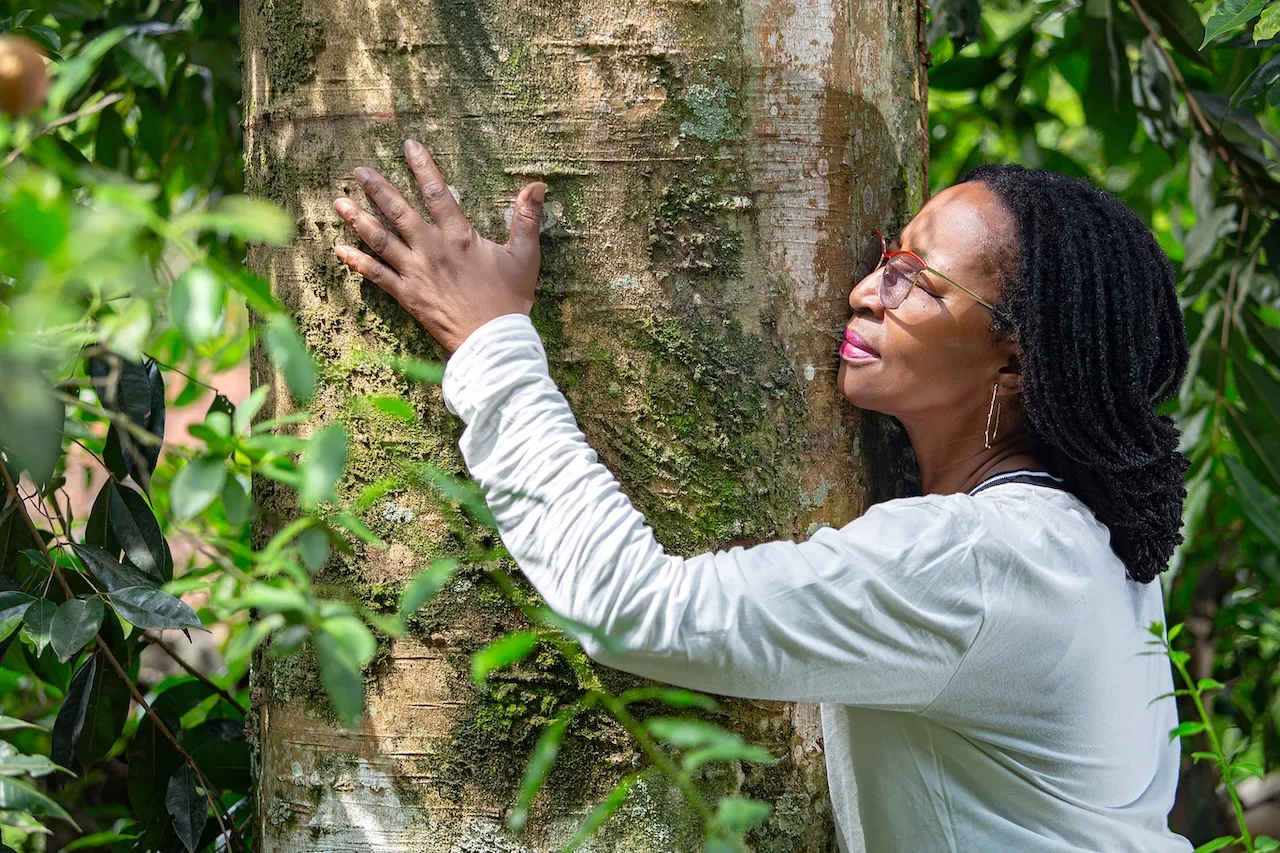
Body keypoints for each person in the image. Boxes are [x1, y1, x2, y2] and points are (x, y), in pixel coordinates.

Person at [330, 142, 1195, 853]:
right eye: (886, 255)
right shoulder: (1086, 543)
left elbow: (635, 606)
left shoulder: (977, 561)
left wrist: (491, 343)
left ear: (1016, 359)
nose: (865, 289)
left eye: (917, 282)